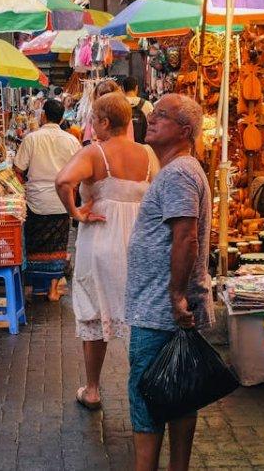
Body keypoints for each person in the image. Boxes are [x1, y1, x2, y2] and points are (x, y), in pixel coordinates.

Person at [55, 92, 158, 411]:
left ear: (104, 121)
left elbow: (62, 181)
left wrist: (75, 212)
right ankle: (142, 386)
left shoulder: (94, 152)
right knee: (137, 315)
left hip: (100, 241)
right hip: (139, 243)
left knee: (94, 313)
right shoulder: (148, 153)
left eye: (93, 119)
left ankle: (93, 389)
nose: (90, 125)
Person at [126, 94, 213, 471]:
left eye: (164, 115)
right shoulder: (180, 169)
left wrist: (176, 297)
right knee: (179, 395)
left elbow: (186, 236)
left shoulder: (178, 172)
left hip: (160, 311)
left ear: (185, 130)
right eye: (154, 112)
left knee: (146, 396)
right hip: (163, 308)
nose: (153, 118)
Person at [14, 99, 82, 300]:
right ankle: (53, 289)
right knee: (58, 246)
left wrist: (22, 188)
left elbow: (18, 169)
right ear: (62, 118)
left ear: (43, 115)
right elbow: (78, 172)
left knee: (35, 246)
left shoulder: (31, 139)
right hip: (61, 200)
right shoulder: (71, 141)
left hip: (36, 200)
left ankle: (37, 287)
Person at [121, 76, 153, 145]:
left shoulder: (117, 105)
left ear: (122, 89)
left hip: (123, 146)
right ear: (136, 88)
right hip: (142, 147)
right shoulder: (147, 105)